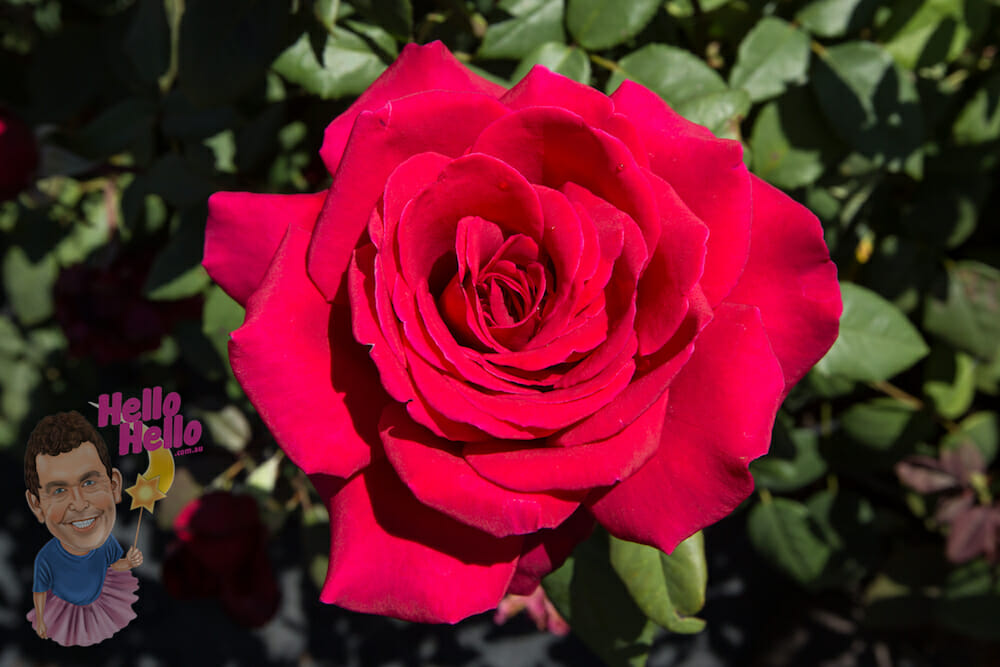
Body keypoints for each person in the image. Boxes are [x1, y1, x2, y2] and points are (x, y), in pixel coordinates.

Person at [24, 411, 142, 646]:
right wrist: (40, 619)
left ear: (114, 486)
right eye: (59, 490)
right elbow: (39, 592)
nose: (79, 504)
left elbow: (111, 566)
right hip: (62, 614)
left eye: (89, 482)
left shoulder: (107, 543)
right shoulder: (46, 558)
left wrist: (127, 564)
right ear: (37, 506)